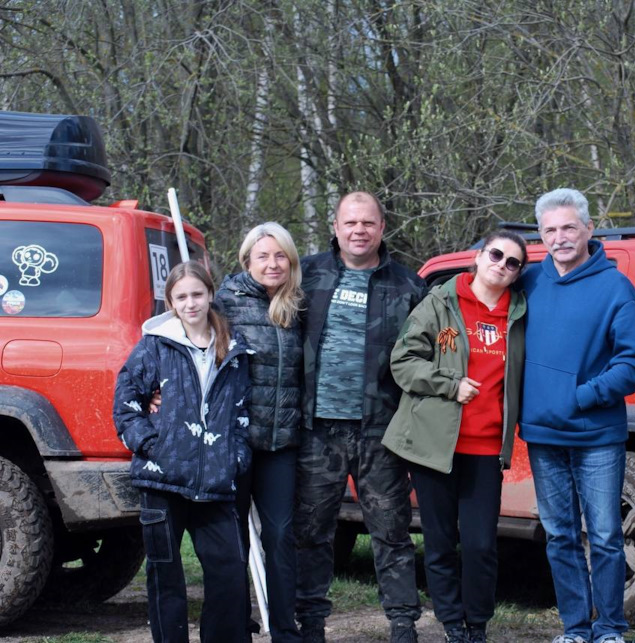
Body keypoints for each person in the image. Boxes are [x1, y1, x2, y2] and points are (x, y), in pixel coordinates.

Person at [383, 230, 528, 643]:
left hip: (485, 449)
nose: (501, 264)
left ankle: (477, 624)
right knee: (440, 541)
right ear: (480, 257)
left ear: (517, 274)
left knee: (481, 544)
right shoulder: (440, 302)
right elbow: (403, 361)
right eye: (496, 255)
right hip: (435, 447)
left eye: (512, 262)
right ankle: (451, 625)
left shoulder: (518, 314)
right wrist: (448, 383)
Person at [296, 191, 427, 643]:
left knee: (391, 532)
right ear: (335, 226)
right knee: (312, 532)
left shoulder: (410, 285)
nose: (358, 231)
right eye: (350, 222)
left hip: (381, 432)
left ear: (382, 227)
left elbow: (442, 342)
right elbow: (247, 300)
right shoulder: (306, 275)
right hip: (317, 431)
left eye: (367, 223)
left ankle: (403, 623)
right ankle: (309, 621)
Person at [519, 188, 635, 643]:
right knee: (560, 536)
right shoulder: (530, 282)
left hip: (596, 435)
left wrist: (582, 396)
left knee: (606, 536)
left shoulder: (616, 287)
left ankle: (610, 628)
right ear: (540, 235)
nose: (560, 237)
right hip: (541, 434)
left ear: (589, 229)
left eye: (569, 227)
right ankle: (575, 628)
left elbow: (634, 363)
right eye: (551, 230)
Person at [113, 260, 252, 643]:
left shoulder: (235, 347)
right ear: (170, 302)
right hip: (163, 479)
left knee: (228, 575)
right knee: (165, 575)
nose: (191, 303)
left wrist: (236, 457)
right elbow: (126, 404)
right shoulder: (155, 346)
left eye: (197, 294)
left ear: (210, 294)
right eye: (181, 297)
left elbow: (243, 411)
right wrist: (151, 445)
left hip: (216, 481)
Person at [217, 222, 305, 642]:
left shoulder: (298, 307)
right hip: (236, 441)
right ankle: (237, 626)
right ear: (246, 261)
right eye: (263, 256)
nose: (272, 264)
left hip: (282, 442)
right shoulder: (225, 303)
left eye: (280, 255)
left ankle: (286, 629)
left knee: (282, 535)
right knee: (233, 540)